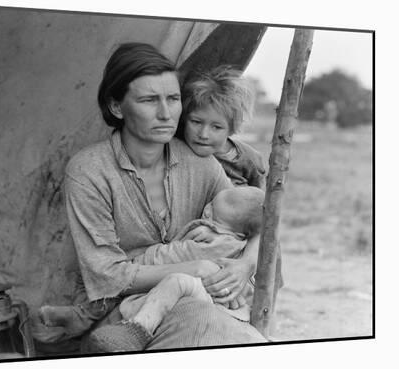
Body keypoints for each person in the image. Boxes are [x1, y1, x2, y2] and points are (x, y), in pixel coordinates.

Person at [41, 42, 266, 352]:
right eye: (149, 100)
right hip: (127, 312)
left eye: (173, 99)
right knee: (210, 328)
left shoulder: (200, 163)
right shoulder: (89, 171)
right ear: (117, 107)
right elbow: (108, 275)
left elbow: (253, 224)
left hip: (197, 299)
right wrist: (195, 268)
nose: (165, 113)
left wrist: (244, 267)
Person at [86, 186, 265, 352]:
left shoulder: (210, 242)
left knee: (177, 282)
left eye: (212, 215)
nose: (206, 209)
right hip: (236, 310)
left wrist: (141, 259)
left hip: (212, 300)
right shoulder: (244, 246)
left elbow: (172, 256)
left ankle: (139, 328)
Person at [177, 65, 284, 307]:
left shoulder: (249, 162)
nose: (203, 133)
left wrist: (246, 264)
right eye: (196, 121)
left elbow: (265, 221)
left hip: (242, 244)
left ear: (232, 128)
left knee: (265, 273)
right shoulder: (176, 149)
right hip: (199, 242)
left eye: (216, 127)